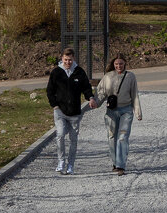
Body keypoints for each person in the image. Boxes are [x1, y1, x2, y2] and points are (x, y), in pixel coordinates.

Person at [45, 47, 95, 175]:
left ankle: (71, 164)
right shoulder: (56, 72)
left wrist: (90, 97)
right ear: (62, 59)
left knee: (73, 139)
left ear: (74, 59)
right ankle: (61, 161)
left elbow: (86, 87)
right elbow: (50, 90)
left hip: (75, 112)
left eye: (70, 60)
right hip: (60, 111)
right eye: (66, 60)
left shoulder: (79, 72)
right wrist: (55, 105)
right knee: (60, 135)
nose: (68, 62)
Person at [93, 54, 142, 175]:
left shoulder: (130, 76)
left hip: (126, 110)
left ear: (125, 63)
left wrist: (138, 111)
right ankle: (115, 162)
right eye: (116, 64)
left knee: (122, 137)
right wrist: (95, 103)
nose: (119, 66)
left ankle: (121, 165)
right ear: (113, 65)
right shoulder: (108, 76)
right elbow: (101, 93)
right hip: (112, 111)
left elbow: (134, 94)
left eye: (121, 63)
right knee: (112, 137)